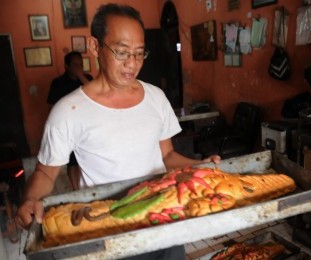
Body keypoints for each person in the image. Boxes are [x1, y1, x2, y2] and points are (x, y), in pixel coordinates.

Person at [17, 3, 220, 259]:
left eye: (138, 53)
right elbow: (46, 173)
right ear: (95, 47)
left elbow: (167, 156)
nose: (132, 64)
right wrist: (30, 198)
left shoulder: (156, 98)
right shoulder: (68, 110)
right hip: (108, 227)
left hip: (163, 219)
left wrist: (201, 166)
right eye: (122, 52)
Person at [47, 51, 93, 190]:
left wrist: (81, 77)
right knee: (72, 161)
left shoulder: (88, 79)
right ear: (67, 66)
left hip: (87, 125)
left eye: (81, 63)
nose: (79, 66)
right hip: (68, 127)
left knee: (88, 157)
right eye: (75, 64)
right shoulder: (57, 83)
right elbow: (51, 106)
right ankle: (75, 189)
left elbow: (95, 96)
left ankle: (90, 186)